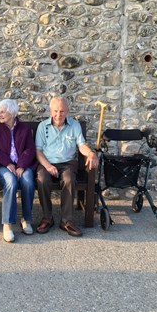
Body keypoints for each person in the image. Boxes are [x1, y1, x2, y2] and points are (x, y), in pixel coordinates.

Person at [35, 97, 99, 237]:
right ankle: (47, 218)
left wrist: (90, 153)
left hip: (68, 163)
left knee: (69, 179)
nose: (59, 114)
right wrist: (48, 166)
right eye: (56, 111)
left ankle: (66, 221)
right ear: (51, 111)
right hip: (47, 162)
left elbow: (81, 145)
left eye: (62, 111)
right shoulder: (42, 126)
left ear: (67, 111)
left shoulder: (74, 126)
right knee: (41, 179)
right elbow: (38, 151)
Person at [0, 99, 37, 243]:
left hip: (22, 165)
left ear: (12, 113)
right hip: (3, 166)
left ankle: (26, 219)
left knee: (28, 180)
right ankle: (7, 224)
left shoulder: (25, 129)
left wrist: (21, 165)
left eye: (2, 112)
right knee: (11, 181)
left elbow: (30, 149)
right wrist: (7, 162)